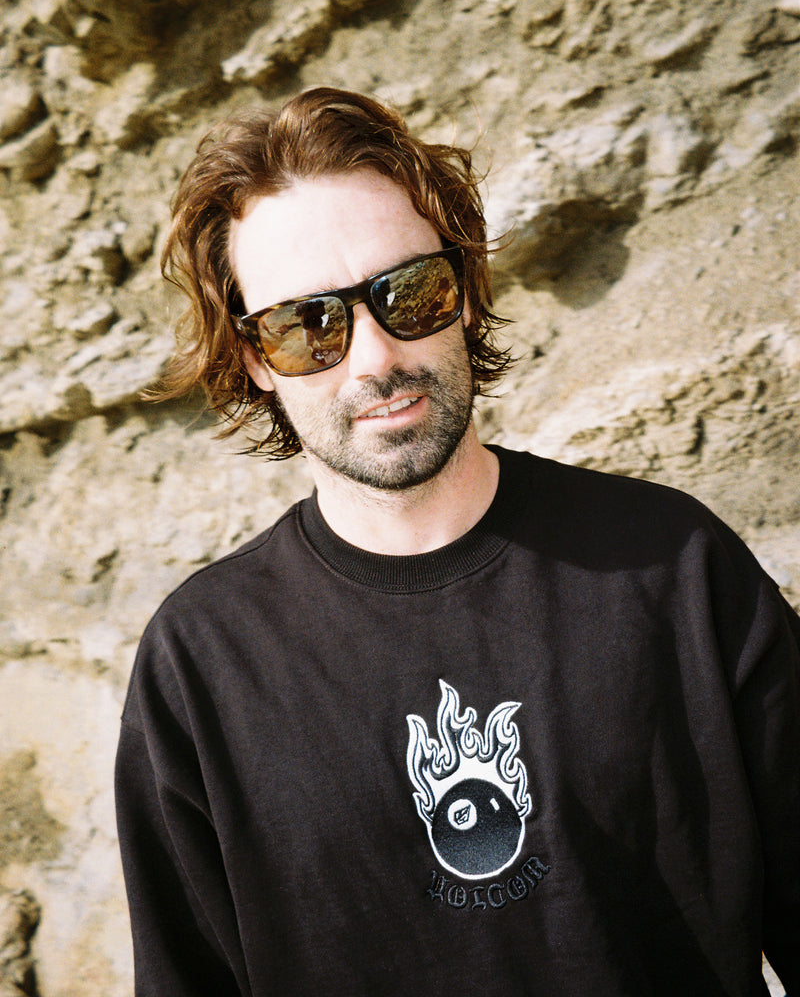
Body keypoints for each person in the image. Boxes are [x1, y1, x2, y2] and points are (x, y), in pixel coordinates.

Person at [114, 86, 800, 997]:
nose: (374, 358)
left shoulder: (675, 569)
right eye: (305, 326)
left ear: (466, 294)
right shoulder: (200, 662)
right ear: (253, 360)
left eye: (410, 293)